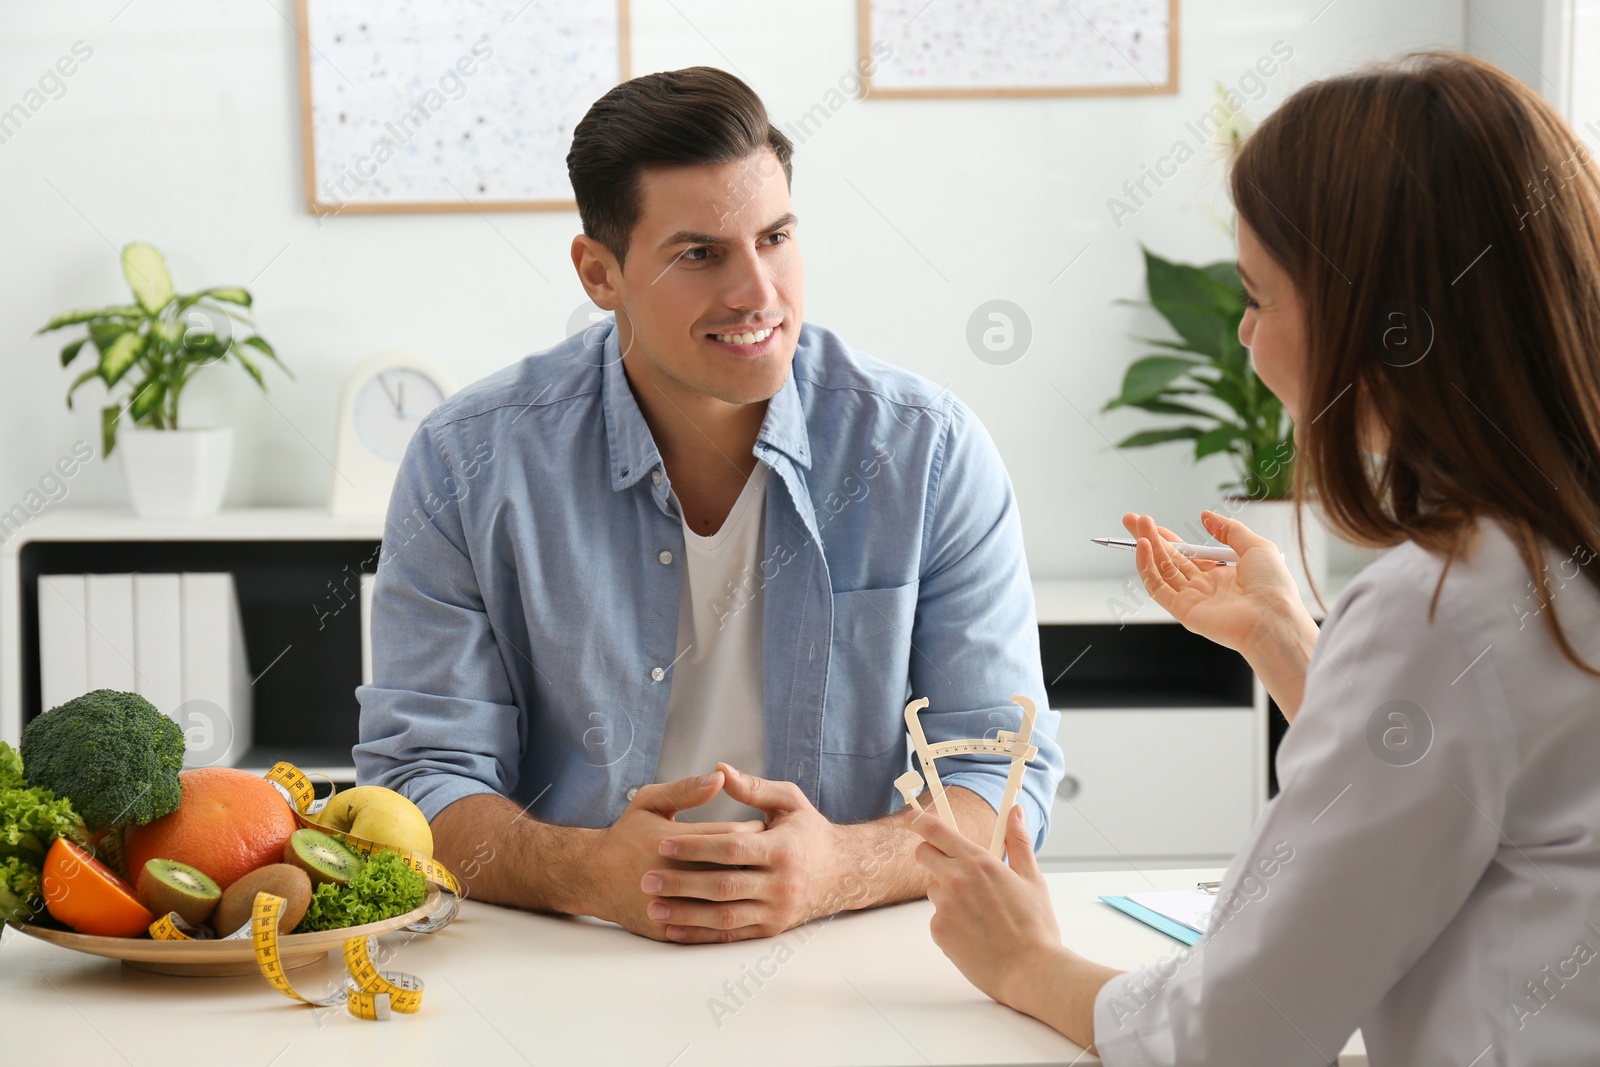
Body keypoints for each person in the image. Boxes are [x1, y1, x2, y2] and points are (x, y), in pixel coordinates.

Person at [907, 50, 1600, 1064]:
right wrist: (1289, 640)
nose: (1242, 332)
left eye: (1260, 294)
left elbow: (1236, 1032)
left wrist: (1024, 960)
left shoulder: (1444, 603)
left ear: (1382, 324)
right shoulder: (1535, 567)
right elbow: (1481, 769)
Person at [353, 66, 1062, 944]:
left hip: (844, 949)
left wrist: (841, 867)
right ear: (599, 273)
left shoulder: (930, 452)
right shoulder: (467, 461)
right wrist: (592, 874)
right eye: (701, 254)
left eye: (776, 237)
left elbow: (1003, 770)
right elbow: (423, 778)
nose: (757, 294)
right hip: (566, 946)